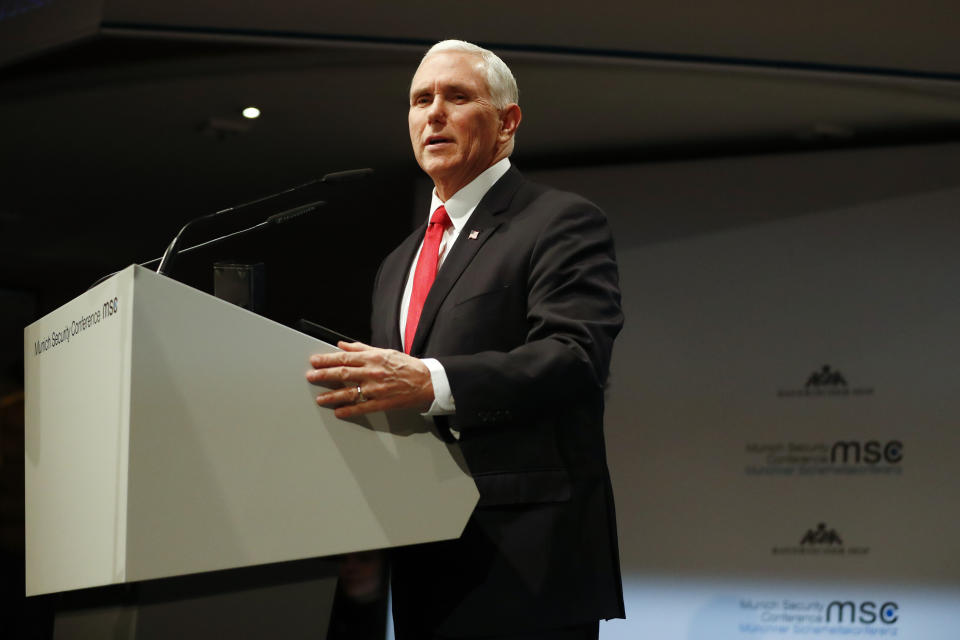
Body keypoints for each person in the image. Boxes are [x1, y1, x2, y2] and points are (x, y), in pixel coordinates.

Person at [307, 40, 624, 640]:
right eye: (420, 99)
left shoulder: (559, 221)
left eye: (456, 96)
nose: (434, 113)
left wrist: (430, 381)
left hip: (526, 560)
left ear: (507, 121)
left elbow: (575, 356)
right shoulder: (397, 263)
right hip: (423, 558)